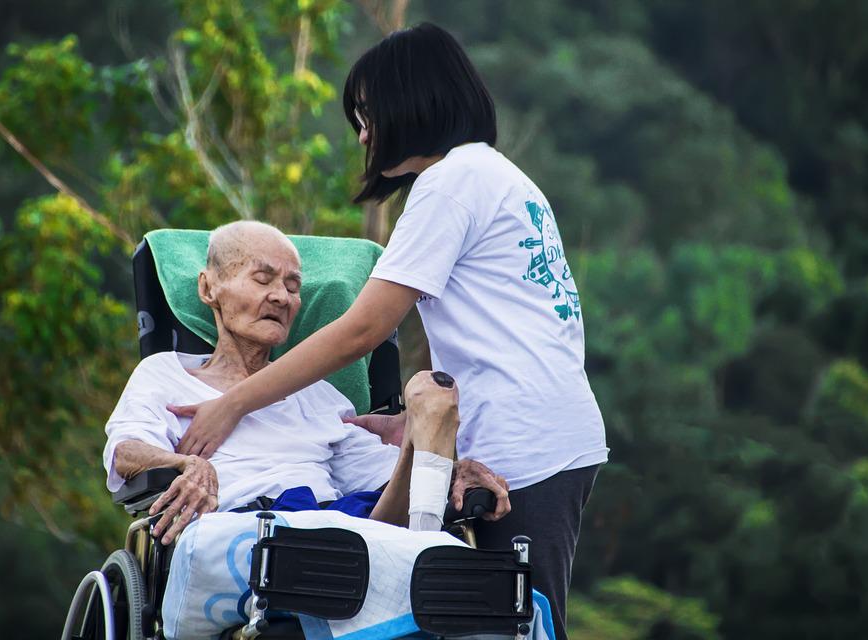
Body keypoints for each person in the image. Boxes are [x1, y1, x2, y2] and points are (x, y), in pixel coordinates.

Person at [169, 23, 608, 638]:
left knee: (508, 622)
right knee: (491, 618)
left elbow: (364, 330)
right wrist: (411, 426)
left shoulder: (448, 185)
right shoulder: (496, 176)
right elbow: (509, 331)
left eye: (368, 114)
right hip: (549, 427)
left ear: (415, 101)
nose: (363, 133)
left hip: (524, 445)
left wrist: (234, 402)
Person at [103, 220, 510, 546]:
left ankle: (414, 539)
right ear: (209, 288)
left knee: (426, 401)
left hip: (334, 523)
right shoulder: (167, 373)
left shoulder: (319, 396)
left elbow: (379, 477)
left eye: (293, 286)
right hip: (235, 528)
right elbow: (125, 452)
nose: (282, 297)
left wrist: (452, 469)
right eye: (263, 279)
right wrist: (185, 464)